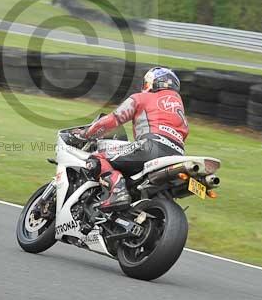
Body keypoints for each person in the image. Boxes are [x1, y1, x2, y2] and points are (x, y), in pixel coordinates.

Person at [74, 67, 188, 211]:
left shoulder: (142, 98)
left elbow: (112, 120)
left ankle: (118, 192)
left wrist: (86, 134)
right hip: (178, 155)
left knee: (97, 158)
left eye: (147, 83)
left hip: (150, 147)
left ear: (153, 83)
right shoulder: (179, 112)